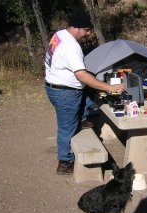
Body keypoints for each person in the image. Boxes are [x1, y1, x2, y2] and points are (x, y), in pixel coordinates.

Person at [44, 12, 124, 175]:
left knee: (90, 87)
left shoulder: (59, 34)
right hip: (65, 92)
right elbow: (81, 75)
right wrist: (109, 88)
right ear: (76, 27)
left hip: (55, 85)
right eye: (86, 30)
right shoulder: (71, 46)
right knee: (66, 128)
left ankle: (81, 118)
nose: (88, 33)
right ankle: (64, 163)